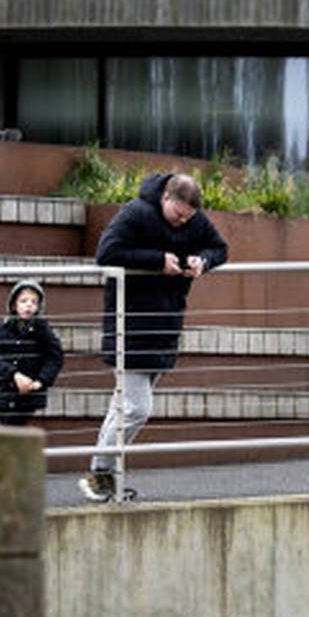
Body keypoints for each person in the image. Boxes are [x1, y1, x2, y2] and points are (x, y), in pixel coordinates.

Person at [82, 171, 230, 502]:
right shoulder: (136, 212)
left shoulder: (194, 220)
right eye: (178, 215)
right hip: (130, 322)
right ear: (165, 197)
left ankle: (103, 476)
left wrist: (201, 261)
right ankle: (98, 473)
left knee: (123, 406)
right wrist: (156, 261)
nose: (181, 224)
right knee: (137, 408)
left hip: (165, 322)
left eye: (188, 218)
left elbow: (220, 248)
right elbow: (106, 252)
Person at [0, 278, 65, 425]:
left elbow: (55, 357)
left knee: (16, 428)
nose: (28, 305)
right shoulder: (4, 328)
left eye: (33, 302)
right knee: (7, 428)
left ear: (38, 307)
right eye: (23, 301)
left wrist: (40, 382)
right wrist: (14, 375)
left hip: (28, 393)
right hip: (5, 392)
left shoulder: (42, 329)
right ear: (14, 305)